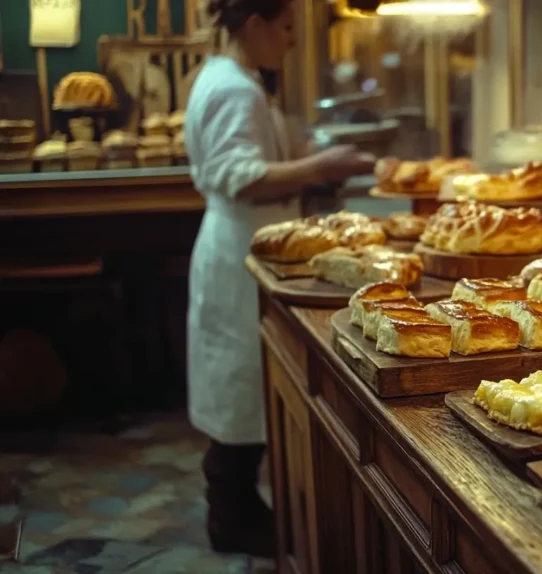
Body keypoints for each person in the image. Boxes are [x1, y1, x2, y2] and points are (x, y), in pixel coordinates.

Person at [184, 0, 372, 557]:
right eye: (286, 27)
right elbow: (237, 177)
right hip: (239, 247)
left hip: (249, 247)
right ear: (256, 25)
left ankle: (240, 511)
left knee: (242, 387)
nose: (292, 40)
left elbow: (267, 152)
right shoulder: (232, 87)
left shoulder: (240, 81)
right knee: (239, 389)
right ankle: (233, 519)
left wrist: (321, 154)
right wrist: (319, 168)